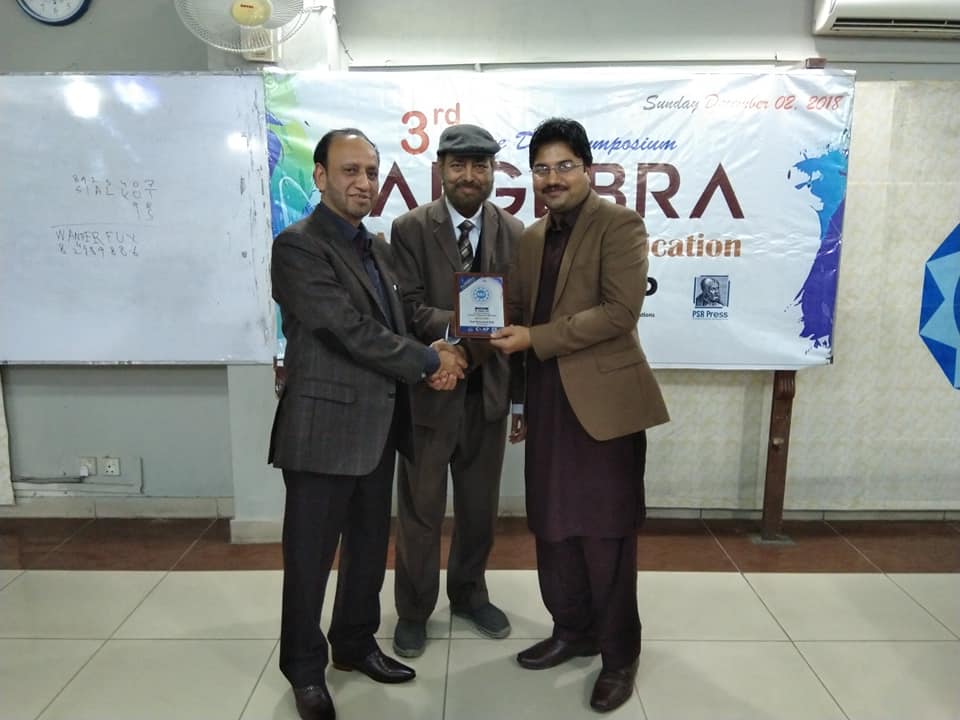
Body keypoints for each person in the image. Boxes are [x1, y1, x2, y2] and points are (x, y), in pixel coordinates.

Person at [268, 128, 467, 720]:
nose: (363, 183)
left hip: (378, 428)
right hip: (322, 430)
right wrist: (429, 361)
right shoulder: (298, 246)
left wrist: (453, 334)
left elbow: (399, 318)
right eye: (349, 170)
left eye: (372, 173)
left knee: (366, 550)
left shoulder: (375, 247)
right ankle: (305, 670)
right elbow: (345, 329)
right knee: (310, 560)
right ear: (320, 176)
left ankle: (354, 644)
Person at [491, 118, 669, 714]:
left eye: (564, 166)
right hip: (545, 401)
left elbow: (619, 313)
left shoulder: (620, 225)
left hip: (604, 406)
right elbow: (518, 317)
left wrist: (535, 338)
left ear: (587, 170)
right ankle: (572, 630)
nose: (552, 178)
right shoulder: (531, 238)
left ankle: (619, 655)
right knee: (552, 525)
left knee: (605, 533)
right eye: (541, 168)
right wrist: (519, 398)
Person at [389, 124, 523, 657]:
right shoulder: (409, 228)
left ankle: (469, 595)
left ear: (493, 172)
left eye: (480, 165)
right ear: (441, 169)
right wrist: (455, 338)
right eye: (458, 165)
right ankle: (414, 610)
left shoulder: (515, 231)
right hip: (429, 390)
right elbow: (408, 307)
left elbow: (516, 313)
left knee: (478, 510)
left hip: (486, 393)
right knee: (420, 512)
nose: (470, 175)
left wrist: (468, 355)